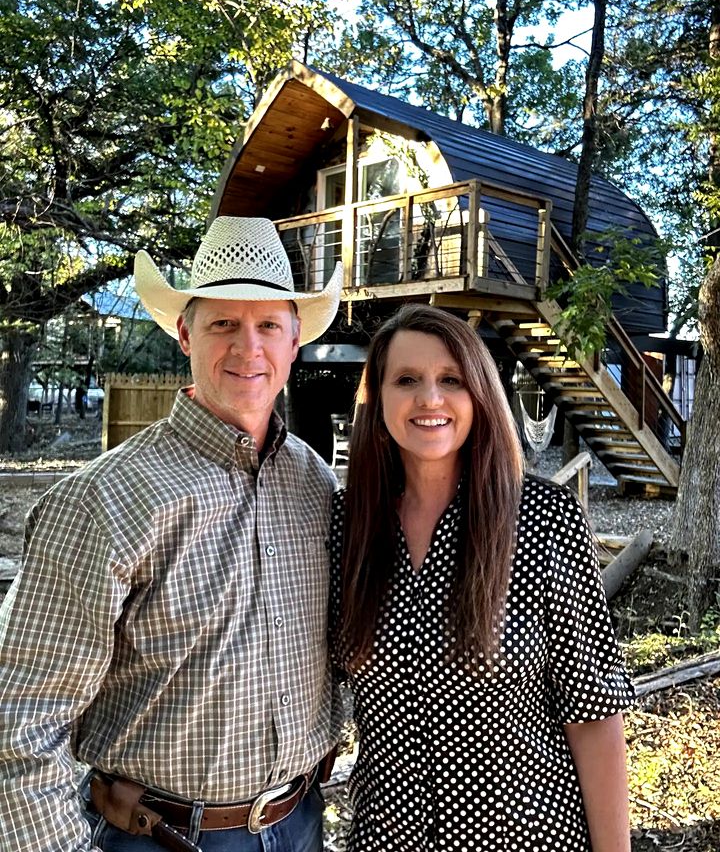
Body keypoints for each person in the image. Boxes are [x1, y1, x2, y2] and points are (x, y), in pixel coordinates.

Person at [0, 216, 343, 852]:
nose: (249, 348)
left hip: (300, 823)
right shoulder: (103, 500)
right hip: (156, 836)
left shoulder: (316, 485)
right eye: (223, 324)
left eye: (269, 324)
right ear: (185, 333)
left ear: (296, 341)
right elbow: (20, 718)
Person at [330, 304, 635, 852]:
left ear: (480, 397)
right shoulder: (346, 525)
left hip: (526, 836)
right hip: (387, 839)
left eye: (451, 380)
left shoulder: (541, 519)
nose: (430, 399)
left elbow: (594, 717)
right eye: (407, 380)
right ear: (378, 403)